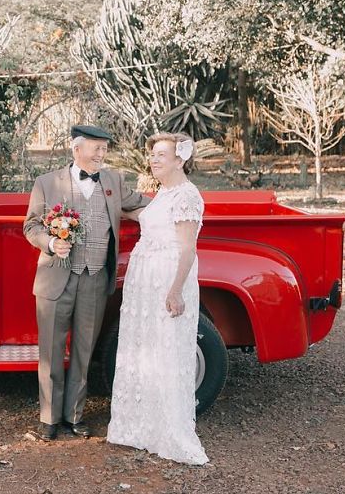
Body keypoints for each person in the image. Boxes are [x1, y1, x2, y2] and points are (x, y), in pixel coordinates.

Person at [23, 125, 150, 441]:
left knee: (83, 350)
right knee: (51, 351)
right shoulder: (47, 183)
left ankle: (75, 416)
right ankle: (49, 419)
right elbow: (31, 226)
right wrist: (51, 243)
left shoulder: (112, 181)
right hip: (56, 278)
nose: (101, 153)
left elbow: (139, 203)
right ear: (76, 148)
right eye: (96, 147)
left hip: (95, 278)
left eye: (105, 148)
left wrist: (177, 197)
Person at [106, 132, 209, 465]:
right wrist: (116, 210)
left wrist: (176, 290)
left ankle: (167, 429)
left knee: (166, 348)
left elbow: (188, 248)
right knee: (144, 346)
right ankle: (140, 424)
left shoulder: (187, 196)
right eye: (152, 155)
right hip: (144, 280)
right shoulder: (163, 193)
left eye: (161, 154)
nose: (153, 159)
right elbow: (147, 217)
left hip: (167, 277)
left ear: (180, 159)